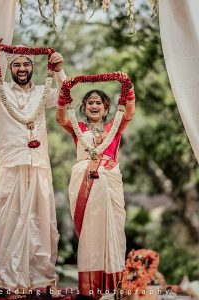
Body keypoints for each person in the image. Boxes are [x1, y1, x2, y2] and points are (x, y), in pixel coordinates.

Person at [0, 39, 67, 296]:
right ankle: (9, 279)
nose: (22, 68)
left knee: (41, 221)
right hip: (12, 162)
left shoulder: (41, 93)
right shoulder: (0, 92)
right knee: (11, 220)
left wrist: (58, 70)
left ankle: (40, 279)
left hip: (39, 164)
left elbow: (66, 95)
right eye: (17, 64)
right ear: (10, 69)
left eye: (26, 64)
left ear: (32, 68)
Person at [56, 77, 135, 299]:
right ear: (84, 107)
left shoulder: (114, 126)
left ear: (106, 107)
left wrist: (127, 86)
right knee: (91, 235)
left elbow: (129, 112)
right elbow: (60, 117)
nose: (93, 106)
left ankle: (112, 288)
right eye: (90, 102)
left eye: (98, 102)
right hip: (85, 185)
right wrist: (64, 93)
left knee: (114, 232)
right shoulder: (78, 128)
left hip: (109, 184)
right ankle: (90, 289)